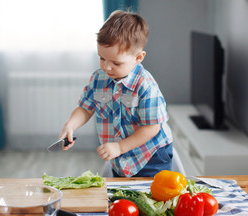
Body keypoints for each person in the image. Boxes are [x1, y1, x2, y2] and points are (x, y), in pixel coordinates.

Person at [58, 10, 173, 177]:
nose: (107, 67)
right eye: (102, 58)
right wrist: (70, 125)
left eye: (116, 63)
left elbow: (151, 128)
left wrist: (120, 147)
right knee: (121, 196)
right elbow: (85, 108)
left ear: (138, 57)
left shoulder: (146, 87)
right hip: (119, 157)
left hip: (150, 156)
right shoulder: (99, 79)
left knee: (149, 198)